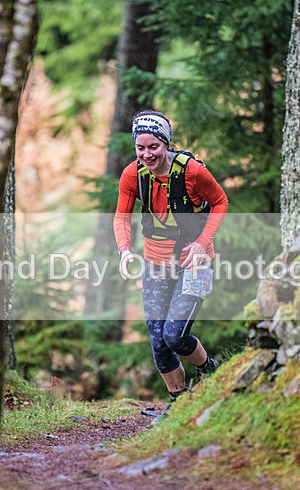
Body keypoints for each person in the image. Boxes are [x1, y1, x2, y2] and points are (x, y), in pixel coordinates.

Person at [113, 110, 228, 423]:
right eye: (141, 148)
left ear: (166, 143)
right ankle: (179, 403)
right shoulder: (132, 175)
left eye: (154, 147)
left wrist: (202, 243)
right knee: (157, 339)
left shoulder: (192, 171)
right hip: (155, 264)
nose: (147, 154)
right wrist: (124, 252)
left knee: (175, 335)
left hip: (196, 263)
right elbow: (122, 217)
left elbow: (220, 202)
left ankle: (210, 372)